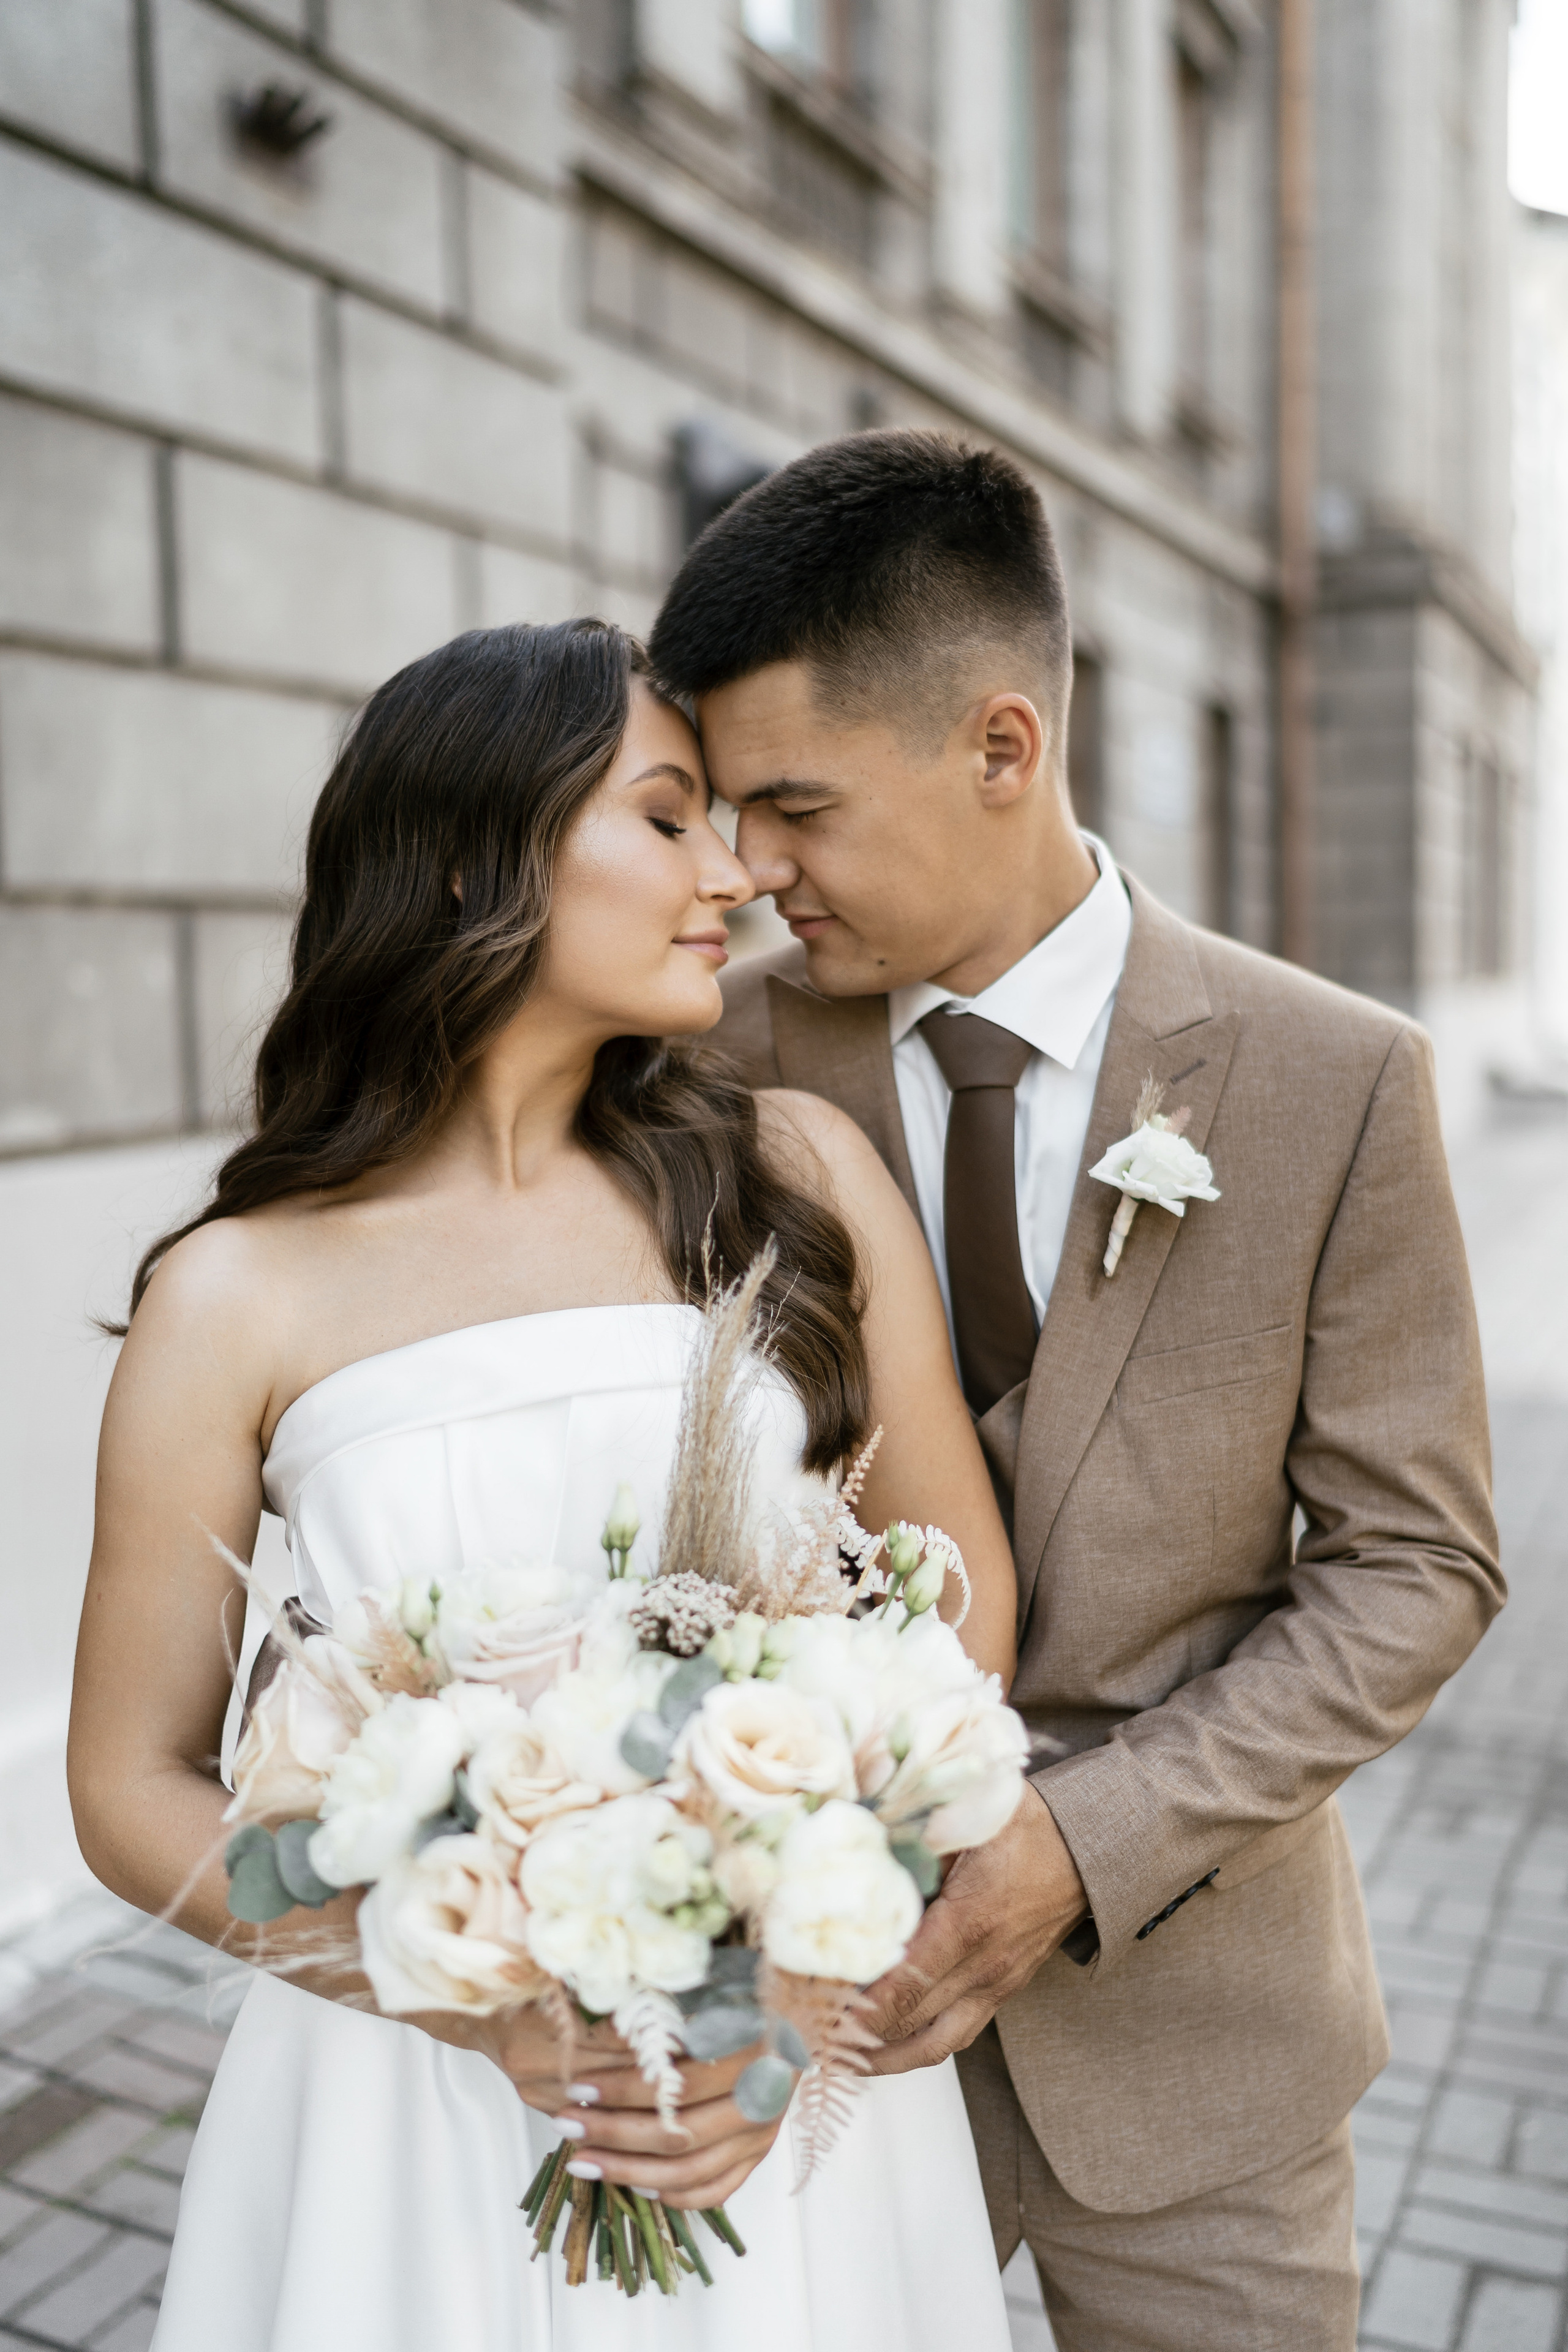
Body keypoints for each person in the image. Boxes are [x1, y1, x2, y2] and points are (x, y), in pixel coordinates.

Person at [67, 619, 1022, 2352]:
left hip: (768, 2086)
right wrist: (462, 1992)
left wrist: (781, 1983)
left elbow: (960, 1602)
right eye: (666, 817)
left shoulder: (797, 1179)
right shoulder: (234, 1294)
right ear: (466, 859)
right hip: (399, 2113)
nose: (732, 871)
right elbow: (131, 1782)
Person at [650, 428, 1504, 2351]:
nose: (748, 870)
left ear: (1003, 746)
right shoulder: (705, 1060)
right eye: (722, 809)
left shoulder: (1333, 1079)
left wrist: (1083, 1841)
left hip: (1207, 2059)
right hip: (810, 2044)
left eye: (793, 805)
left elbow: (1418, 1568)